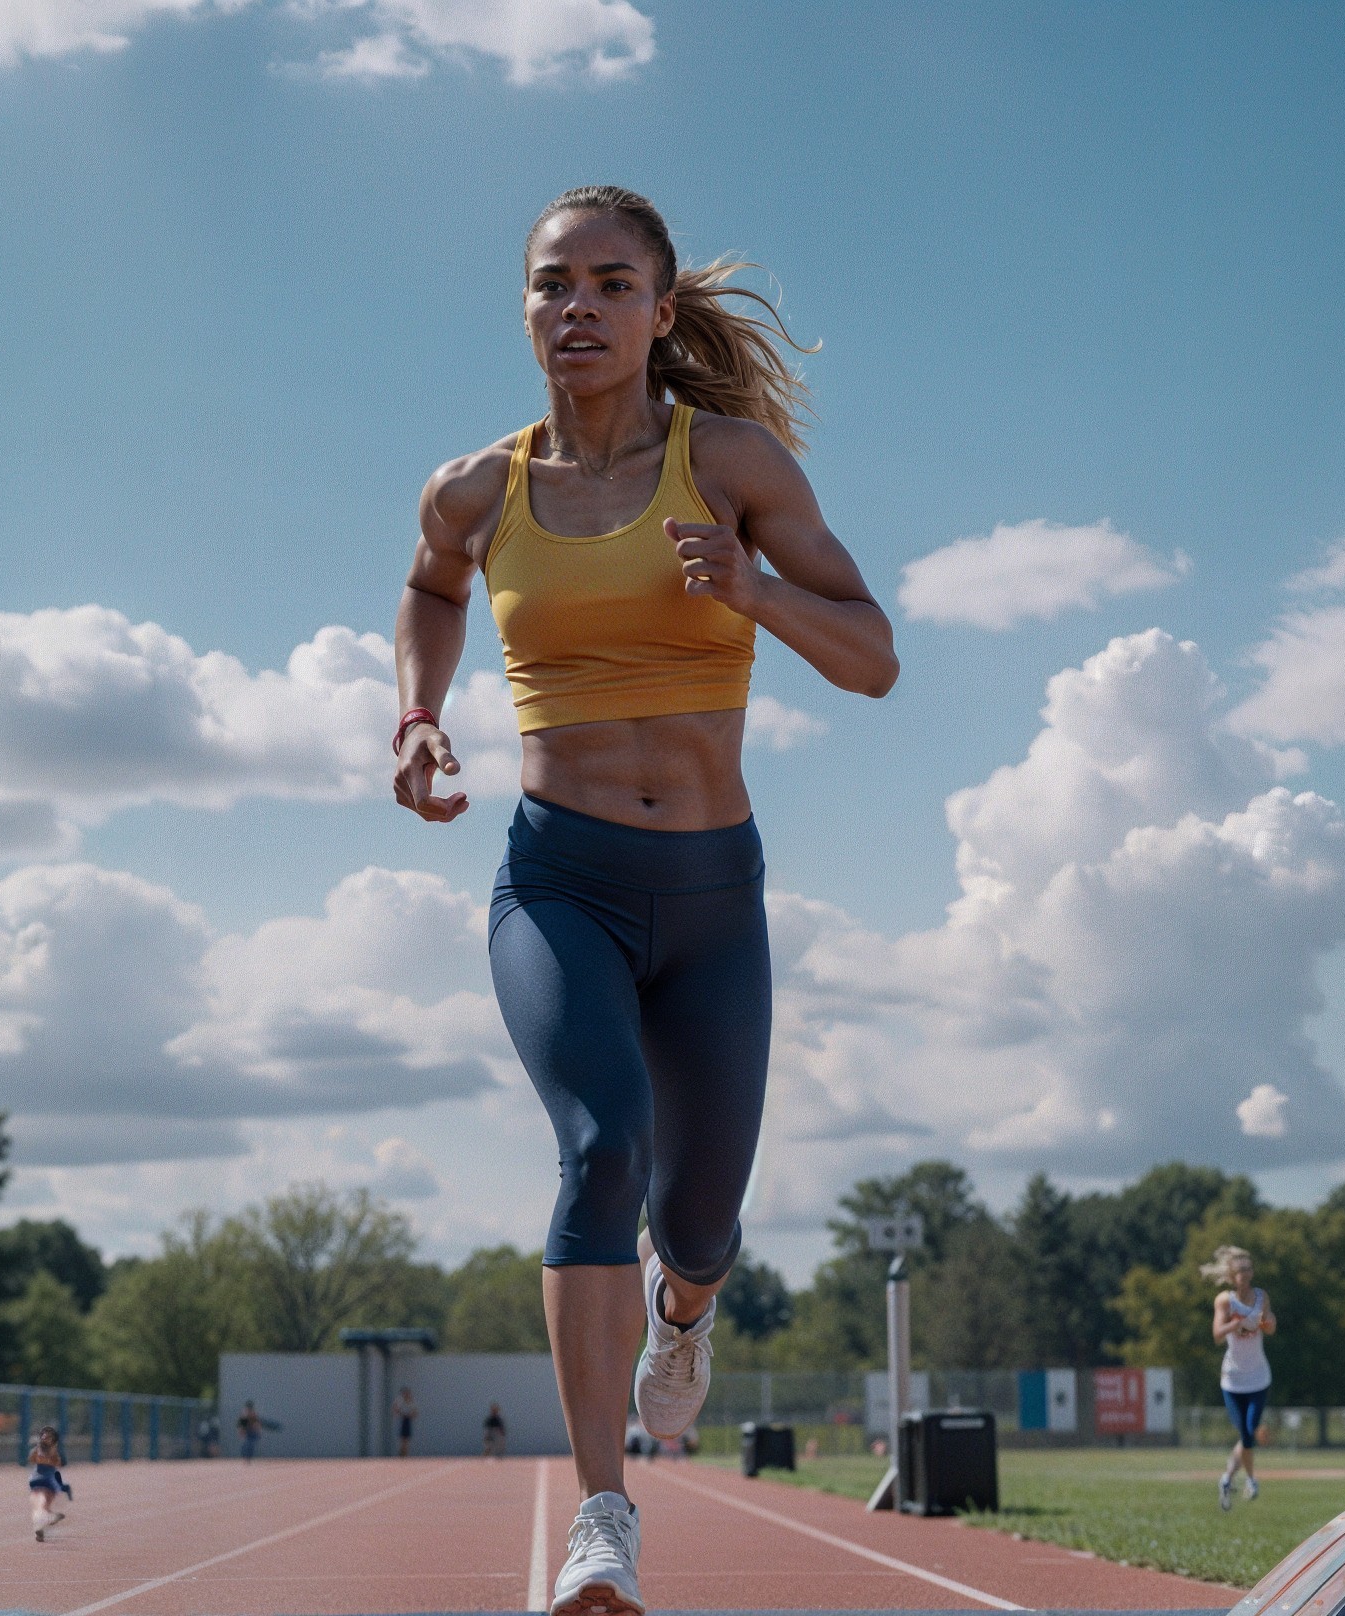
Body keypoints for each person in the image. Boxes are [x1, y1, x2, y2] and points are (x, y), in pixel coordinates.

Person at [392, 185, 896, 1616]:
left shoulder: (731, 462)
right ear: (527, 308)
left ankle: (689, 1310)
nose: (580, 309)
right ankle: (602, 1518)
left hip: (713, 897)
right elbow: (431, 586)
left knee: (702, 1218)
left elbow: (873, 656)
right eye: (555, 284)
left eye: (613, 285)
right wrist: (419, 718)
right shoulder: (478, 491)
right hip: (561, 880)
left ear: (661, 312)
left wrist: (751, 590)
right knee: (599, 1146)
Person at [1206, 1245, 1274, 1511]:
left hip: (1258, 1378)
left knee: (1248, 1435)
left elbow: (1271, 1324)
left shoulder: (1260, 1296)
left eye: (1249, 1269)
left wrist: (1266, 1322)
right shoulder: (1225, 1300)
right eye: (1240, 1271)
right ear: (1233, 1276)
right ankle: (1245, 1479)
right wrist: (1237, 1323)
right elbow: (1216, 1334)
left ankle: (1234, 1479)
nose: (1245, 1274)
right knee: (1246, 1435)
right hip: (1233, 1381)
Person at [27, 1424, 70, 1541]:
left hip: (37, 1479)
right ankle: (48, 1519)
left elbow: (31, 1459)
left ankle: (47, 1519)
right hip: (47, 1480)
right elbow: (60, 1463)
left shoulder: (37, 1450)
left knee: (40, 1505)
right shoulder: (52, 1451)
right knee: (44, 1504)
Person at [394, 1385, 418, 1458]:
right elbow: (395, 1410)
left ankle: (405, 1455)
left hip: (408, 1420)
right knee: (402, 1439)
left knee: (406, 1439)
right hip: (402, 1420)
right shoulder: (400, 1402)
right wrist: (402, 1414)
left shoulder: (411, 1402)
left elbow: (415, 1412)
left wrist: (410, 1415)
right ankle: (401, 1454)